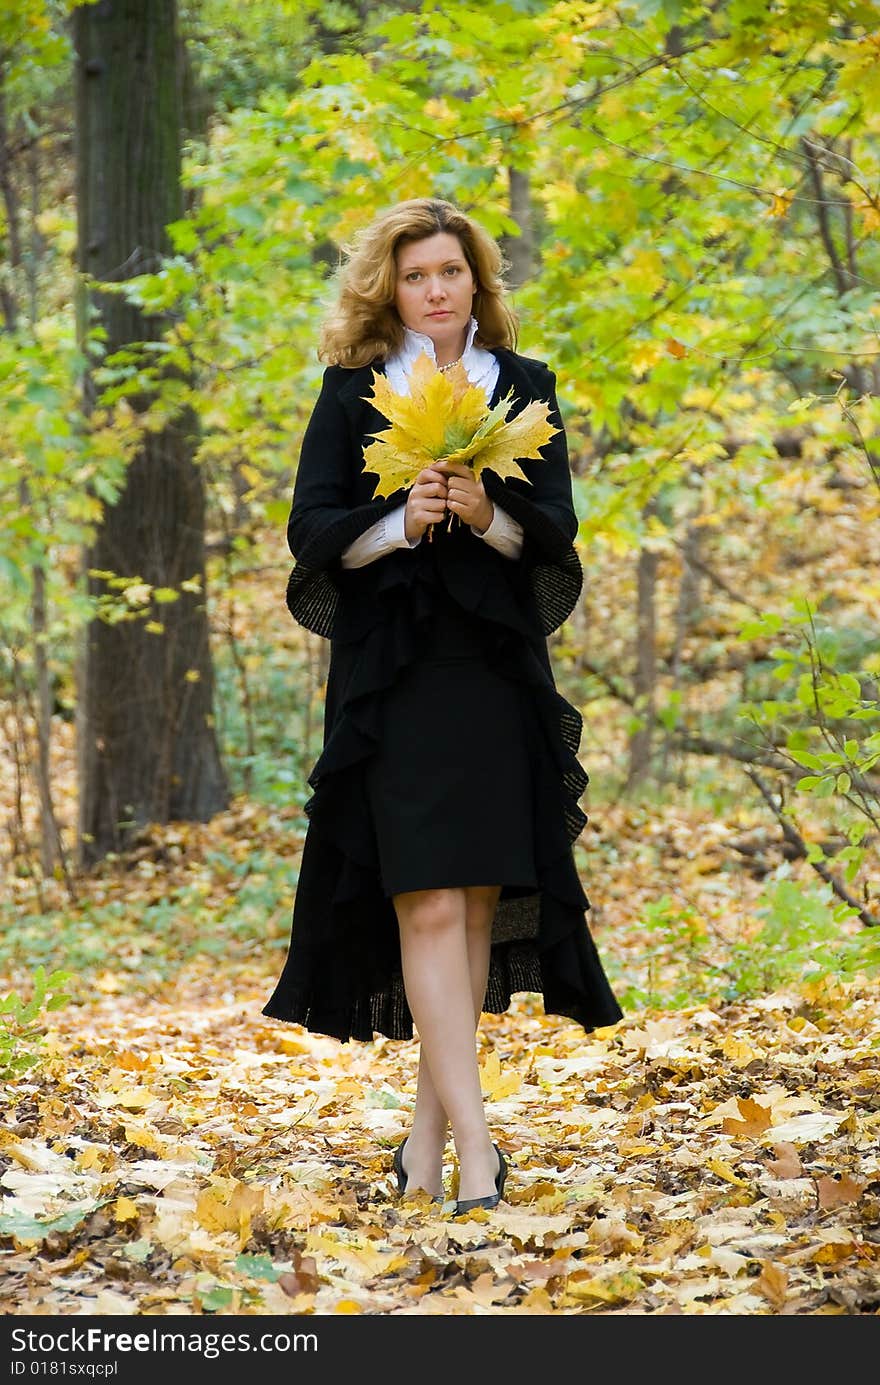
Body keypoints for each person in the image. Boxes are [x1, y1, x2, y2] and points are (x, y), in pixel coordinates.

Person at [262, 197, 623, 1213]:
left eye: (450, 273)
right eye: (415, 274)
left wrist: (485, 512)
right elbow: (311, 531)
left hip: (493, 672)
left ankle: (424, 1147)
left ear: (476, 282)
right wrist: (400, 519)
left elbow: (554, 532)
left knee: (468, 903)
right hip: (395, 675)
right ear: (390, 286)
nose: (433, 290)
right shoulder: (351, 394)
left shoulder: (525, 389)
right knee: (422, 895)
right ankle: (478, 1146)